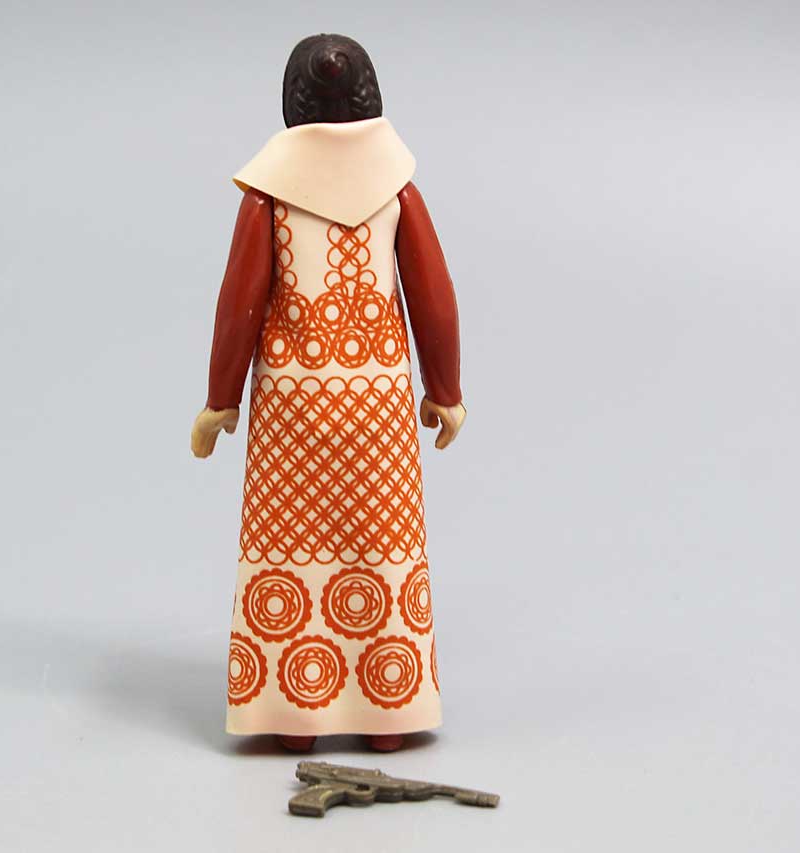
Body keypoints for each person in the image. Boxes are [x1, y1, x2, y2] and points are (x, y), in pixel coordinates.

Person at [190, 33, 465, 753]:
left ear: (293, 101)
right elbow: (433, 294)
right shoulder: (397, 188)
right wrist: (445, 388)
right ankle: (387, 712)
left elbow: (240, 301)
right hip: (376, 399)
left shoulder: (270, 195)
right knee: (382, 541)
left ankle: (293, 714)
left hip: (294, 401)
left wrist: (221, 398)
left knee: (290, 542)